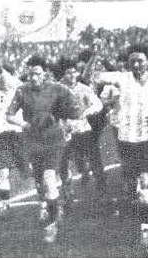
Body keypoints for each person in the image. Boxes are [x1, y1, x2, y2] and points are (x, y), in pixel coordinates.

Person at [98, 44, 148, 246]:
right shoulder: (120, 82)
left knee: (145, 180)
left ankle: (146, 224)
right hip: (126, 139)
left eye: (140, 60)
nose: (136, 64)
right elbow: (103, 97)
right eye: (132, 61)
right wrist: (109, 100)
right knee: (131, 180)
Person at [5, 56, 80, 243]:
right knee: (39, 180)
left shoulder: (57, 89)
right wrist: (24, 124)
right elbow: (9, 115)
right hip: (33, 140)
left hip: (54, 140)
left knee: (49, 178)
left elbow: (75, 108)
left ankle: (52, 224)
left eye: (37, 73)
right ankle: (49, 205)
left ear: (44, 73)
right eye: (30, 74)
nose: (33, 77)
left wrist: (68, 119)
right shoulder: (22, 91)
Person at [55, 57, 104, 200]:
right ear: (63, 74)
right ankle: (67, 187)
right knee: (64, 161)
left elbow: (98, 104)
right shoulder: (57, 89)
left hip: (83, 129)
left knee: (94, 158)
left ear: (77, 73)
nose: (71, 75)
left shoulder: (84, 89)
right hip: (65, 130)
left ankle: (101, 187)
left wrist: (87, 112)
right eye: (68, 73)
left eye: (73, 72)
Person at [0, 62, 28, 204]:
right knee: (3, 172)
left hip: (19, 134)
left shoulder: (20, 90)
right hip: (3, 136)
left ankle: (46, 199)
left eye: (3, 74)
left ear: (12, 76)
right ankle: (5, 204)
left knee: (27, 171)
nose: (0, 77)